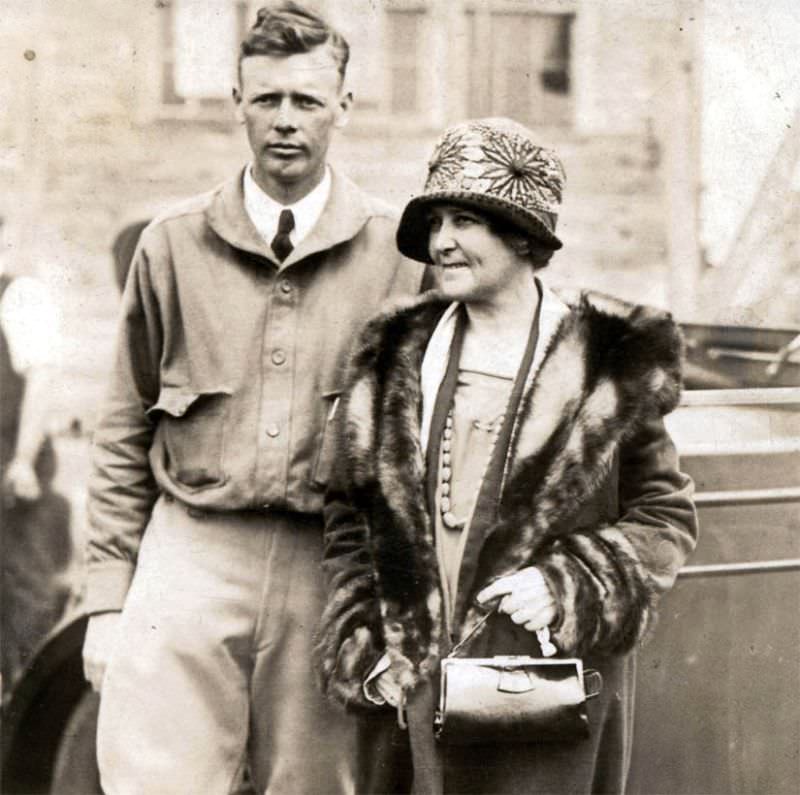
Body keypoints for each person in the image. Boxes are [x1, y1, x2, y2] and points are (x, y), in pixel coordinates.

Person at [81, 3, 425, 793]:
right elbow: (120, 427)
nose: (285, 122)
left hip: (328, 564)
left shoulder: (397, 253)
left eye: (307, 101)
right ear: (236, 102)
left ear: (344, 105)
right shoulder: (170, 243)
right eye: (266, 99)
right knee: (153, 778)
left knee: (319, 783)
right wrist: (107, 601)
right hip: (190, 554)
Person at [316, 118, 699, 794]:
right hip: (415, 685)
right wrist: (366, 637)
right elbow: (350, 516)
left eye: (465, 220)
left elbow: (664, 516)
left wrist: (567, 582)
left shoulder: (607, 362)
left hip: (545, 686)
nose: (441, 243)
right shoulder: (393, 356)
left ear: (521, 236)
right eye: (435, 222)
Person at [0, 215, 72, 687]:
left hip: (9, 467)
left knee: (24, 592)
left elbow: (42, 376)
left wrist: (23, 460)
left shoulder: (18, 296)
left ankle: (27, 718)